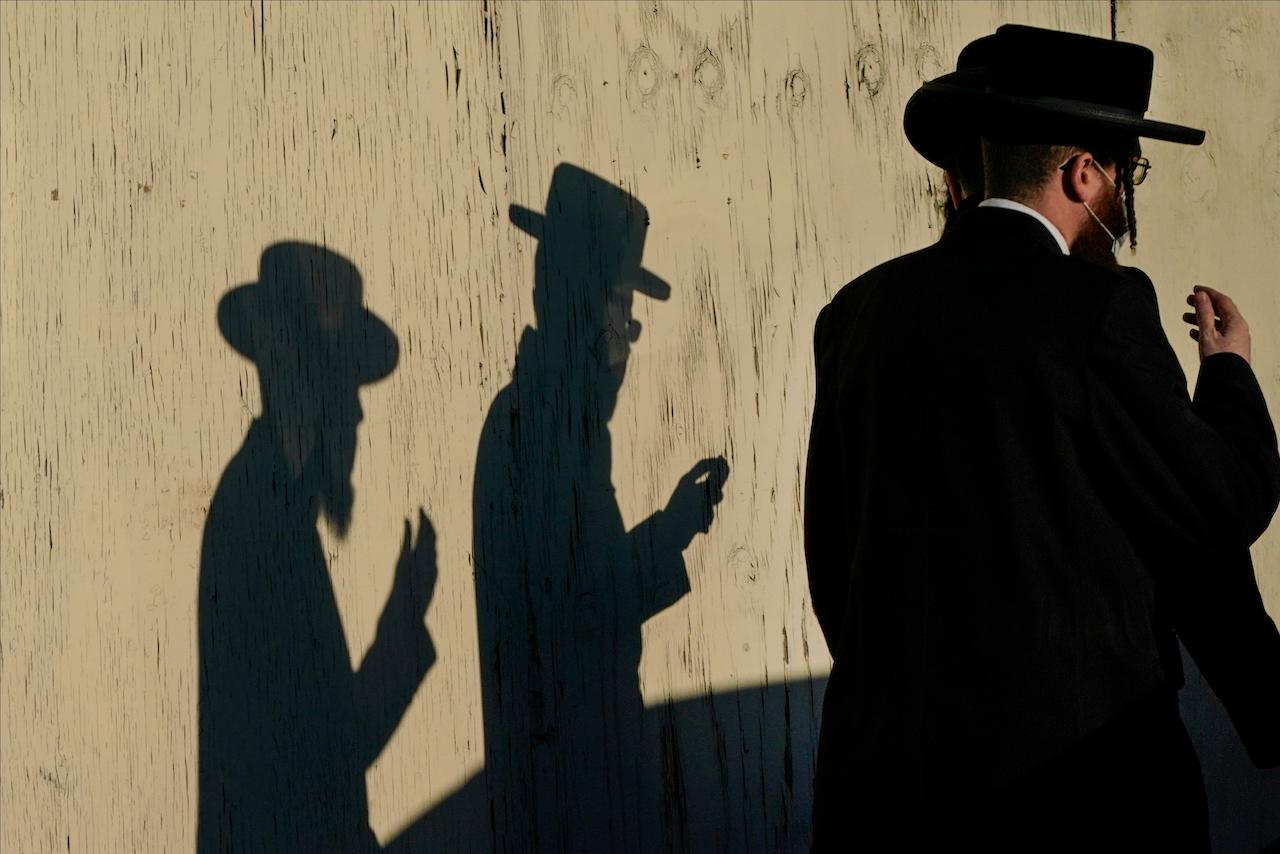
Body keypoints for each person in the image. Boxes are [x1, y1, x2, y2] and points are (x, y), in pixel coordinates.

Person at [804, 24, 1280, 850]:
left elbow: (834, 566)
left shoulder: (855, 314)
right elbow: (1216, 508)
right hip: (1074, 796)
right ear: (1083, 175)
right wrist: (1229, 372)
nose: (1126, 203)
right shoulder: (1099, 310)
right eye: (1126, 175)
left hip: (880, 795)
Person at [473, 164, 728, 853]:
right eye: (620, 305)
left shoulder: (556, 417)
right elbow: (575, 605)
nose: (628, 332)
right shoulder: (548, 421)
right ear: (581, 303)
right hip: (571, 778)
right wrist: (669, 536)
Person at [199, 243, 437, 852]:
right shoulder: (260, 515)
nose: (357, 412)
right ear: (300, 374)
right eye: (342, 379)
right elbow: (329, 756)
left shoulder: (270, 502)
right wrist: (402, 625)